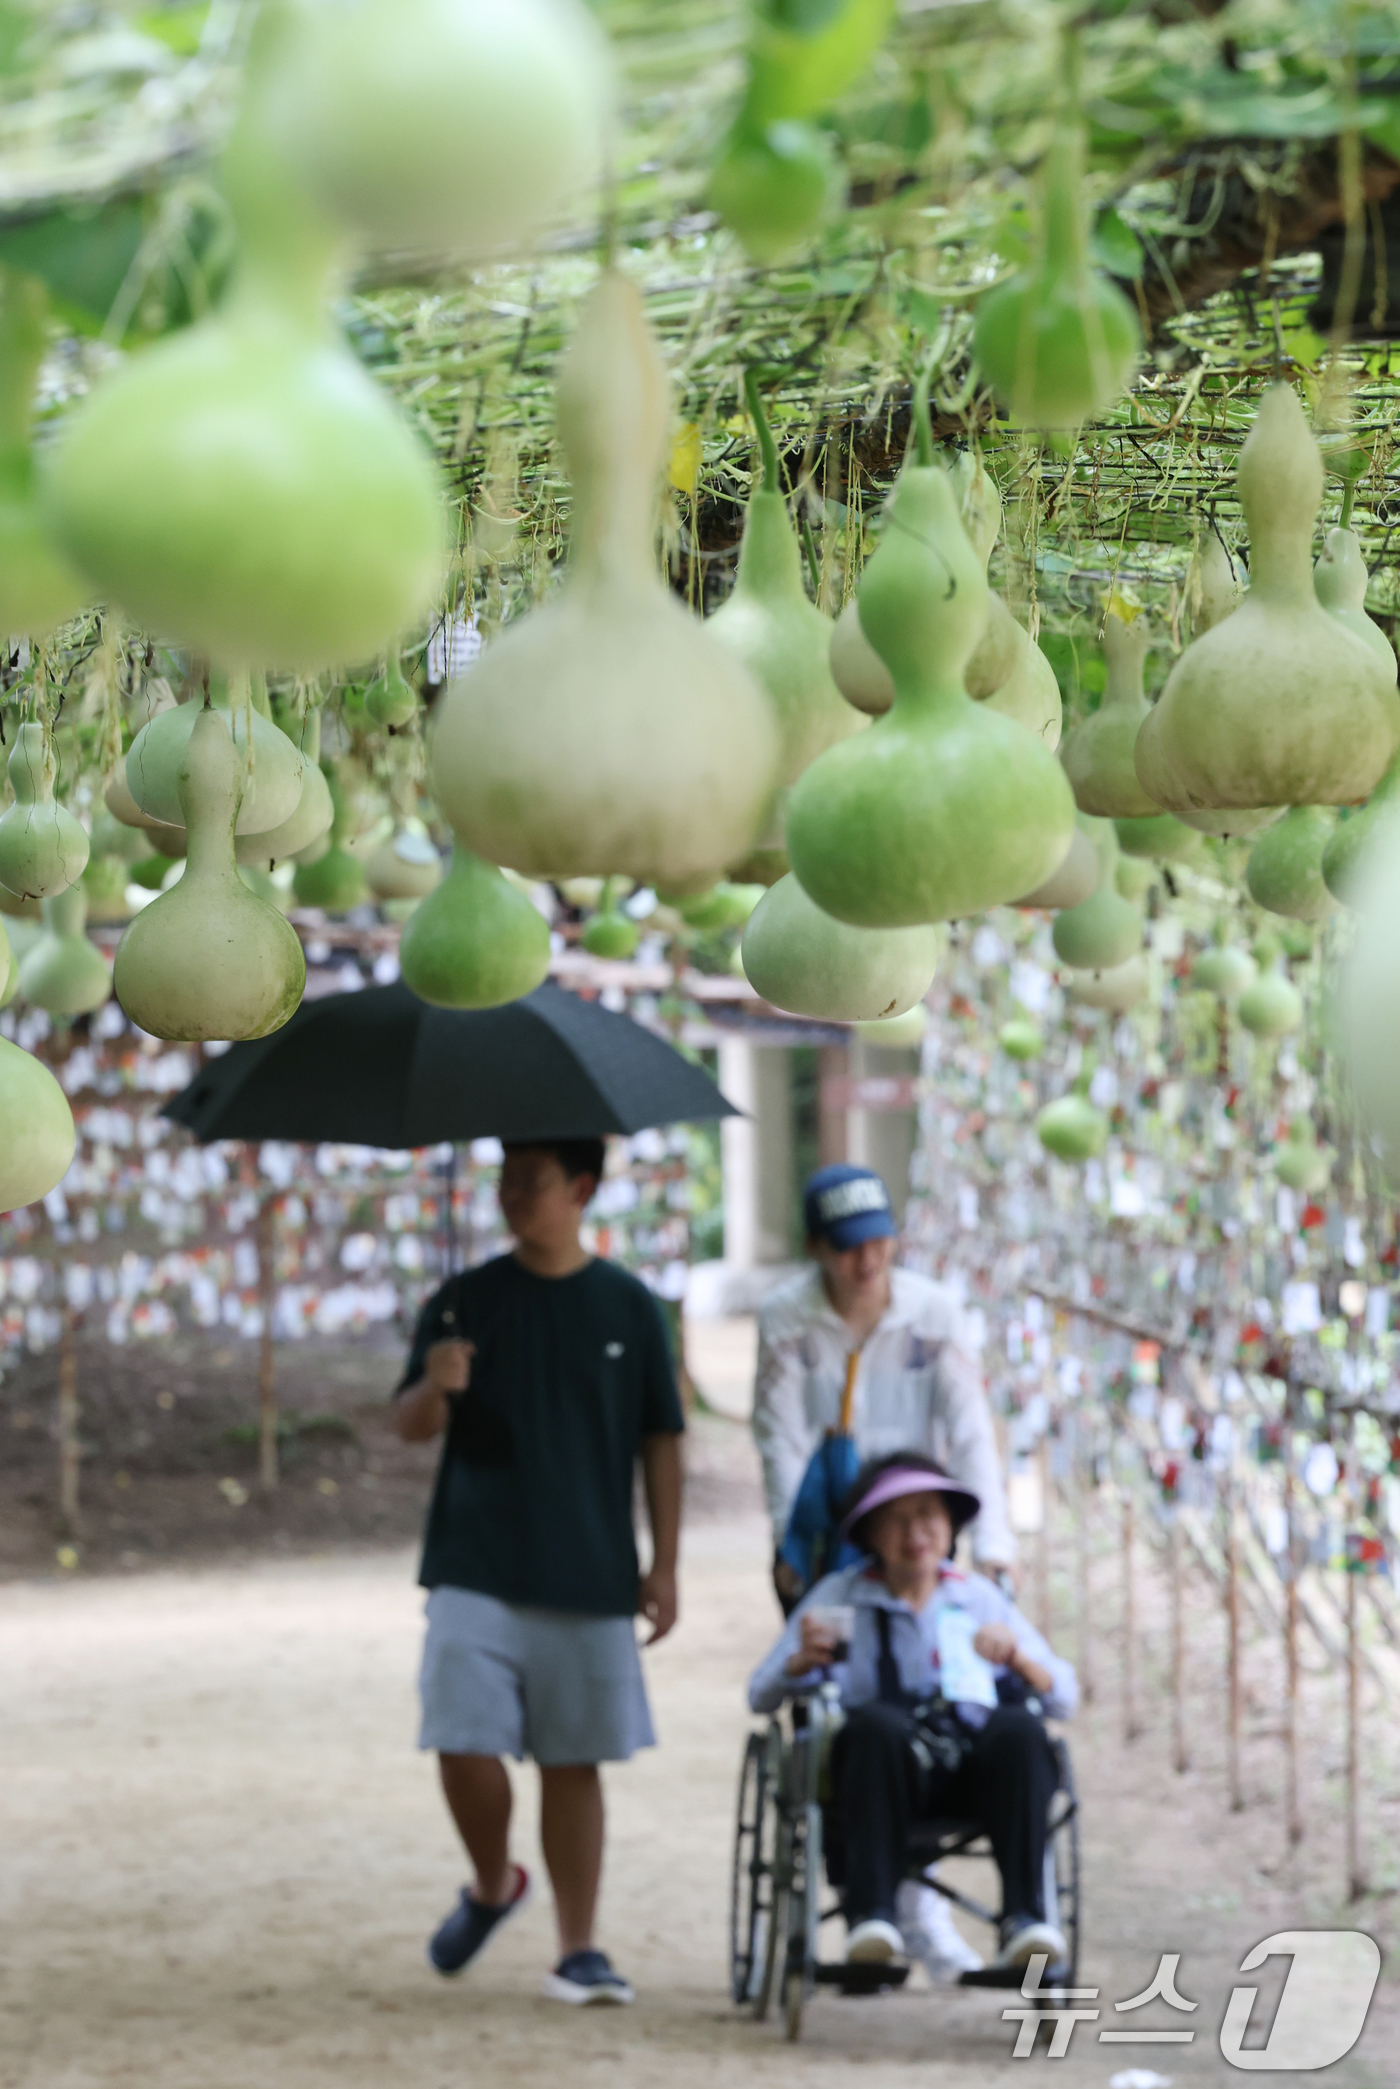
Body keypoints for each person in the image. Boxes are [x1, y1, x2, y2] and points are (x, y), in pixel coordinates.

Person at [393, 1137, 684, 2006]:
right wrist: (437, 1385)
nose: (515, 1195)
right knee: (462, 1739)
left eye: (535, 1181)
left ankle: (579, 1946)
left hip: (590, 1566)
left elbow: (660, 1439)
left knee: (573, 1760)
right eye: (506, 1179)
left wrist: (664, 1562)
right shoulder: (463, 1298)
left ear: (583, 1188)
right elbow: (408, 1423)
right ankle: (492, 1882)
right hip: (474, 1561)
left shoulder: (631, 1307)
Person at [752, 1163, 1015, 1977]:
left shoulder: (933, 1313)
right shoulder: (787, 1318)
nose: (866, 1262)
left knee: (940, 1702)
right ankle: (863, 1895)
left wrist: (993, 1533)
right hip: (828, 1541)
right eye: (847, 1248)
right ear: (816, 1250)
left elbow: (969, 1425)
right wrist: (793, 1551)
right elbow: (779, 1438)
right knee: (838, 1717)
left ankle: (920, 1908)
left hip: (920, 1531)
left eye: (878, 1243)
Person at [747, 1454, 1078, 1977]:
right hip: (877, 1776)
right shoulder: (840, 1597)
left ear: (950, 1526)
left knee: (1020, 1730)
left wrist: (1017, 1658)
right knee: (874, 1726)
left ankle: (1025, 1917)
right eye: (896, 1519)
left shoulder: (977, 1599)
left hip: (973, 1773)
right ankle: (872, 1918)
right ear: (869, 1534)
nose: (915, 1532)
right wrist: (800, 1662)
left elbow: (1064, 1696)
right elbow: (759, 1694)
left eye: (928, 1515)